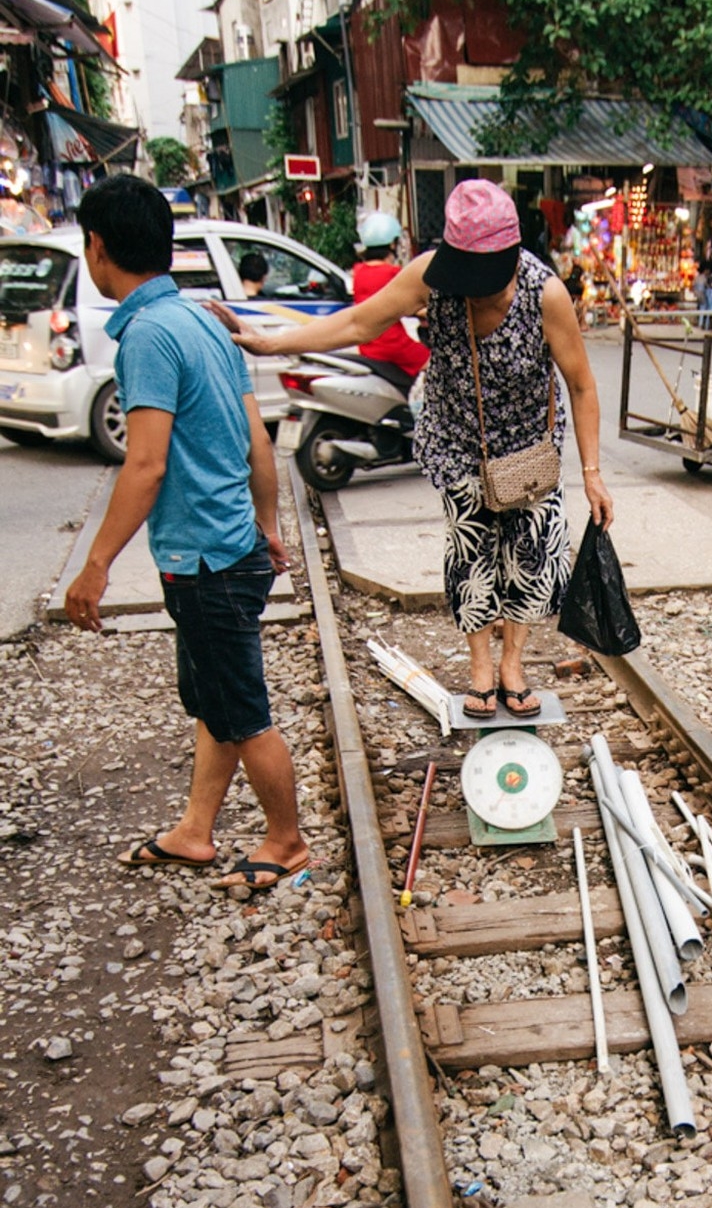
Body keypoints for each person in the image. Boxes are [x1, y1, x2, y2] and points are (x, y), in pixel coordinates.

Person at [209, 178, 614, 719]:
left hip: (528, 451)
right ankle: (479, 670)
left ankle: (513, 665)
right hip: (457, 439)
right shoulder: (431, 277)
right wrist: (271, 342)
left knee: (530, 557)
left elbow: (582, 385)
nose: (471, 290)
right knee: (471, 553)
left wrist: (591, 471)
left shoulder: (546, 294)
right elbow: (357, 321)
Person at [64, 175, 309, 891]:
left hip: (203, 560)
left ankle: (287, 841)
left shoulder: (146, 336)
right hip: (229, 546)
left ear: (99, 248)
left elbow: (144, 464)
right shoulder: (203, 320)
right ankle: (196, 832)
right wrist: (266, 526)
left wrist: (96, 564)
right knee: (214, 701)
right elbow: (256, 443)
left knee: (244, 710)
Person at [352, 211, 430, 381]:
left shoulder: (359, 273)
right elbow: (415, 305)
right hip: (393, 345)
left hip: (369, 347)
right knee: (435, 364)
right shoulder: (393, 274)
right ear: (393, 245)